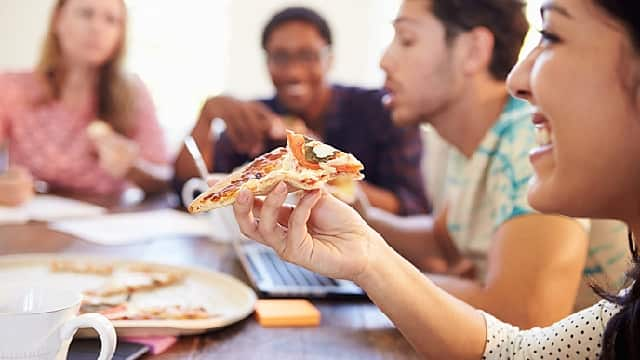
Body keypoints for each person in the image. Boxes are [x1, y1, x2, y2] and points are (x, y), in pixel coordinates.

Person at [231, 0, 640, 358]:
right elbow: (446, 243)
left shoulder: (524, 137)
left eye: (407, 40)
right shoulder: (472, 147)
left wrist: (376, 276)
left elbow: (523, 316)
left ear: (473, 50)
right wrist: (361, 225)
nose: (384, 61)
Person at [174, 6, 430, 215]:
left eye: (308, 56)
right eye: (281, 57)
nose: (294, 72)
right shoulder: (258, 118)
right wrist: (206, 115)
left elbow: (411, 207)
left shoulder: (383, 109)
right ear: (267, 62)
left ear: (329, 59)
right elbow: (190, 187)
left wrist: (322, 165)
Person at [0, 0, 170, 204]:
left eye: (111, 20)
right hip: (32, 225)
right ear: (58, 20)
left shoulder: (134, 93)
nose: (97, 28)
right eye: (86, 14)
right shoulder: (12, 88)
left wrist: (133, 169)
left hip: (107, 224)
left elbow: (166, 178)